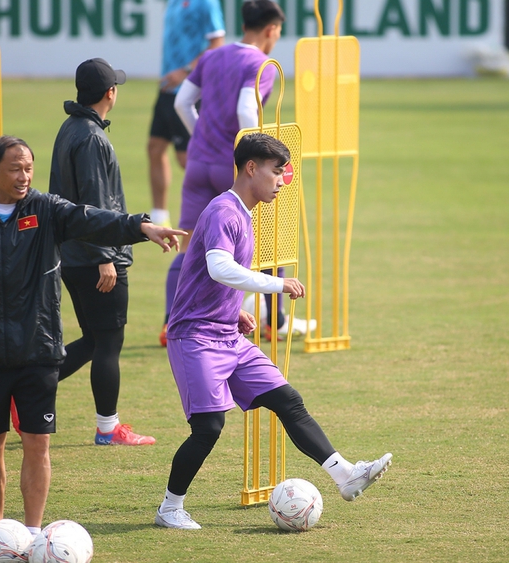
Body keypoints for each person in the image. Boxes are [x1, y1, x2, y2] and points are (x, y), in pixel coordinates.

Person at [0, 135, 184, 540]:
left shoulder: (47, 209)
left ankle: (34, 533)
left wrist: (142, 226)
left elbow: (92, 218)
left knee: (38, 444)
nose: (24, 177)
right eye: (15, 169)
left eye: (29, 168)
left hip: (37, 349)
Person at [154, 133, 392, 530]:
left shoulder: (243, 213)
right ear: (251, 168)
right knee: (209, 427)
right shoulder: (223, 211)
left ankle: (345, 475)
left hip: (228, 334)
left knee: (288, 400)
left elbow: (214, 279)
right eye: (276, 171)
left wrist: (236, 312)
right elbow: (218, 268)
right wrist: (276, 285)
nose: (283, 180)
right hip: (195, 337)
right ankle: (169, 509)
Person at [161, 0, 313, 346]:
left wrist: (201, 134)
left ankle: (171, 323)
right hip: (236, 166)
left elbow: (182, 101)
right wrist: (253, 152)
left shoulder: (212, 56)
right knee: (267, 241)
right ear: (272, 29)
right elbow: (247, 108)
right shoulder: (261, 63)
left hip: (199, 162)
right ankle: (275, 320)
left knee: (188, 242)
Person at [46, 57, 156, 446]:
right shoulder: (92, 137)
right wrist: (105, 256)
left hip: (72, 255)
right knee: (108, 343)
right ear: (110, 93)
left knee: (94, 340)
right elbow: (94, 201)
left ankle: (25, 392)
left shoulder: (71, 127)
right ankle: (108, 428)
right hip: (95, 257)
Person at [147, 0, 225, 228]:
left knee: (187, 159)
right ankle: (160, 218)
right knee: (155, 147)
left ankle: (219, 215)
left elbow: (217, 44)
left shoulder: (207, 3)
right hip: (168, 88)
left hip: (192, 89)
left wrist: (185, 71)